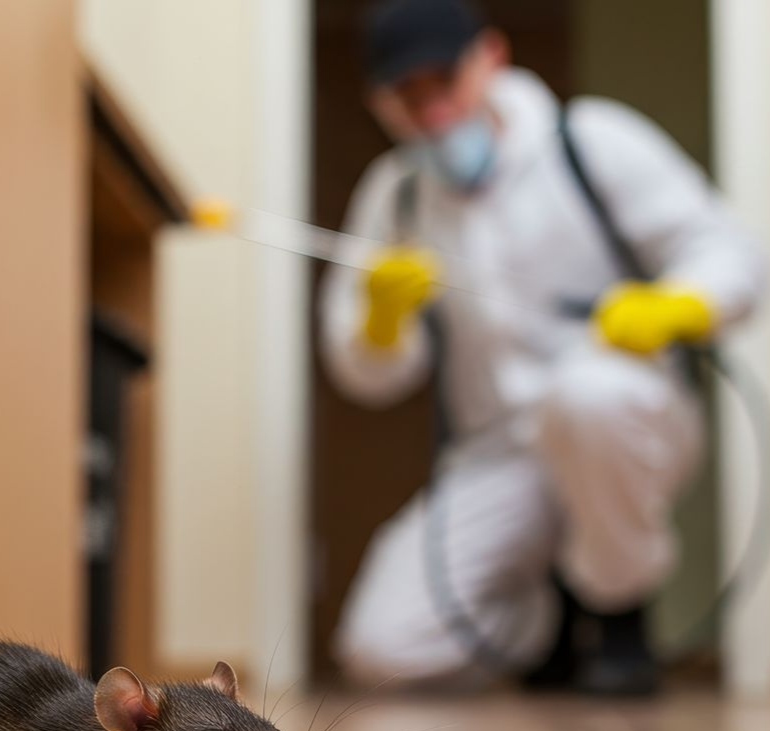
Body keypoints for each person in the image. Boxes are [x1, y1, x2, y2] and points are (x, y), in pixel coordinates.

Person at [319, 0, 766, 695]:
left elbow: (728, 254)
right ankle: (548, 624)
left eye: (444, 81)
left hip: (625, 415)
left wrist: (677, 303)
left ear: (490, 57)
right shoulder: (395, 196)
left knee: (587, 397)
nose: (431, 109)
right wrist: (380, 322)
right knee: (382, 647)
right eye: (407, 95)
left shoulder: (589, 139)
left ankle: (619, 617)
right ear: (380, 102)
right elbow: (365, 377)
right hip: (500, 453)